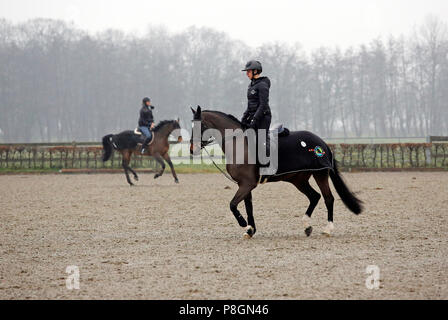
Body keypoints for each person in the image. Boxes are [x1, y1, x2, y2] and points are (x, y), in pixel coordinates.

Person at [241, 60, 272, 162]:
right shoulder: (251, 86)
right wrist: (244, 117)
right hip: (254, 116)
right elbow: (250, 105)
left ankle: (268, 163)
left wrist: (254, 119)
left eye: (248, 71)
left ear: (255, 71)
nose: (246, 74)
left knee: (260, 140)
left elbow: (263, 105)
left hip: (263, 117)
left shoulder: (262, 85)